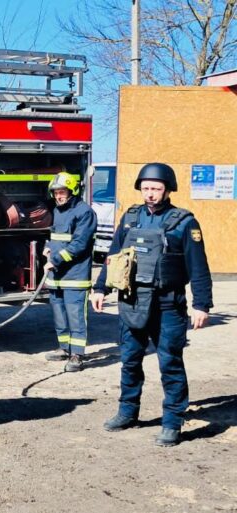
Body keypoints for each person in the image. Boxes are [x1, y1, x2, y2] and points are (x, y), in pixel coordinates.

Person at [92, 163, 212, 447]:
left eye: (156, 189)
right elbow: (114, 257)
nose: (150, 194)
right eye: (146, 188)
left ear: (167, 189)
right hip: (132, 302)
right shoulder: (131, 217)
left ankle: (172, 422)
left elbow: (198, 266)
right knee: (130, 361)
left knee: (170, 363)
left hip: (168, 305)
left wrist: (202, 304)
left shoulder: (184, 223)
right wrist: (100, 287)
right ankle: (127, 412)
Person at [42, 172, 97, 372]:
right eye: (56, 192)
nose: (58, 196)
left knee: (75, 315)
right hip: (57, 275)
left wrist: (55, 260)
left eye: (62, 191)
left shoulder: (85, 212)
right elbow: (56, 235)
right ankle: (64, 348)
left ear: (72, 190)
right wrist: (48, 246)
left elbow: (79, 245)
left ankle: (77, 355)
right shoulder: (58, 210)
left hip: (75, 275)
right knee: (59, 313)